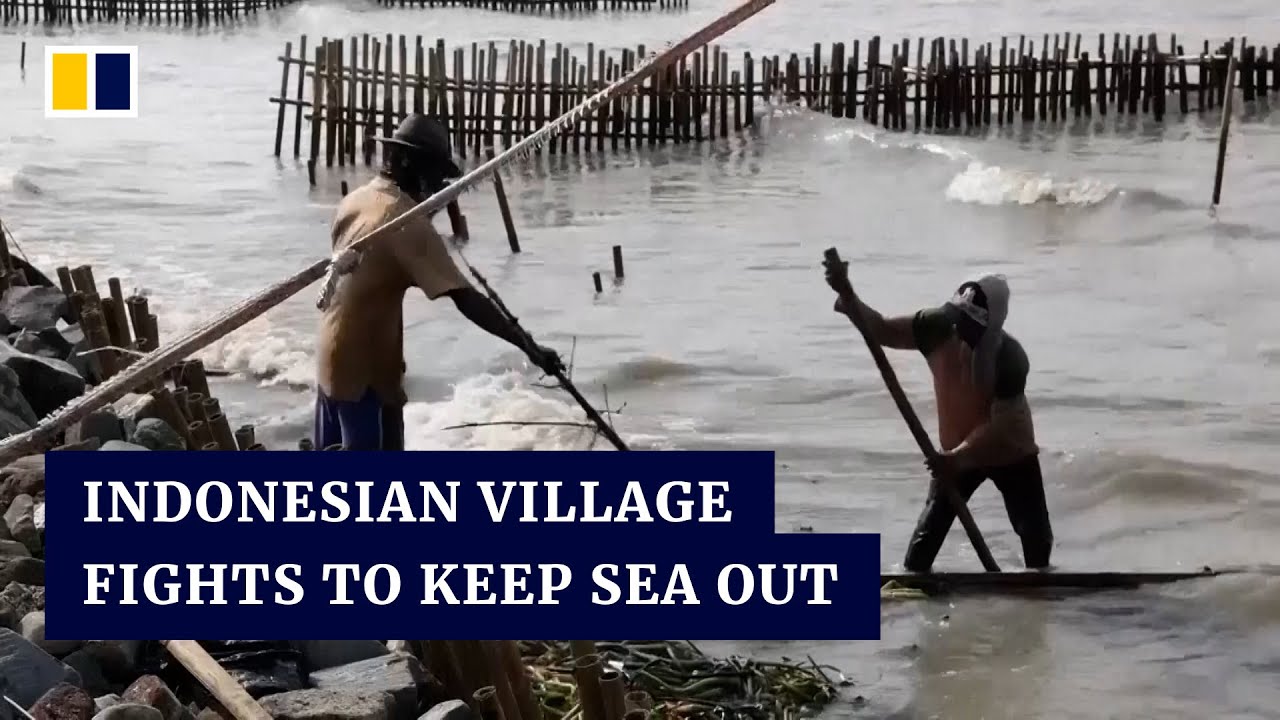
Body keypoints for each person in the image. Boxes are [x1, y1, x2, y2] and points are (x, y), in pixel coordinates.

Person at [315, 113, 563, 450]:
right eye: (431, 173)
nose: (435, 186)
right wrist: (530, 347)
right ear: (405, 162)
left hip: (332, 357)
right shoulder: (404, 223)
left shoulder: (356, 200)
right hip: (363, 376)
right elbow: (466, 299)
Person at [824, 262, 1053, 572]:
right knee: (922, 547)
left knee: (1036, 541)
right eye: (957, 318)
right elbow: (881, 329)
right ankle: (915, 587)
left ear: (991, 326)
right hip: (955, 455)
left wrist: (958, 456)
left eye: (970, 326)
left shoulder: (1010, 358)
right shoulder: (936, 326)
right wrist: (849, 297)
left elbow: (1001, 427)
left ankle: (1039, 600)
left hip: (1009, 450)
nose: (958, 330)